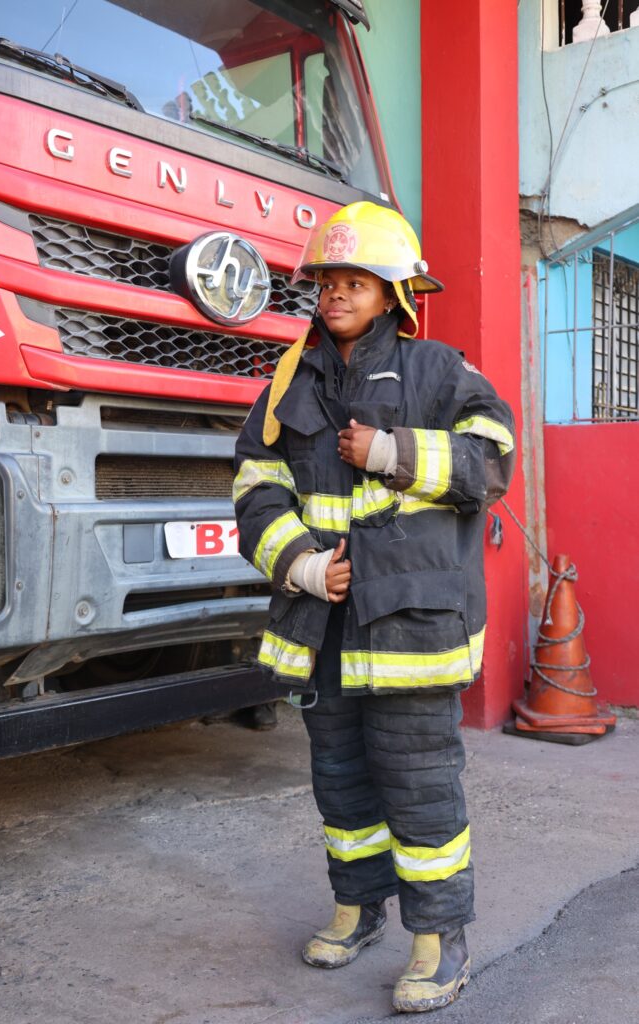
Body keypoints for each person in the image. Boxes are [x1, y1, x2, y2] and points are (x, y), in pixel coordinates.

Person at [232, 202, 515, 1014]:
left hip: (412, 634)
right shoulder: (290, 380)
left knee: (421, 786)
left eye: (354, 281)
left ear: (394, 293)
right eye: (326, 280)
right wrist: (304, 566)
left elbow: (492, 463)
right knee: (342, 785)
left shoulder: (439, 371)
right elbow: (255, 485)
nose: (335, 295)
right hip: (322, 625)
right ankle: (357, 910)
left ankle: (439, 939)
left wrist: (393, 453)